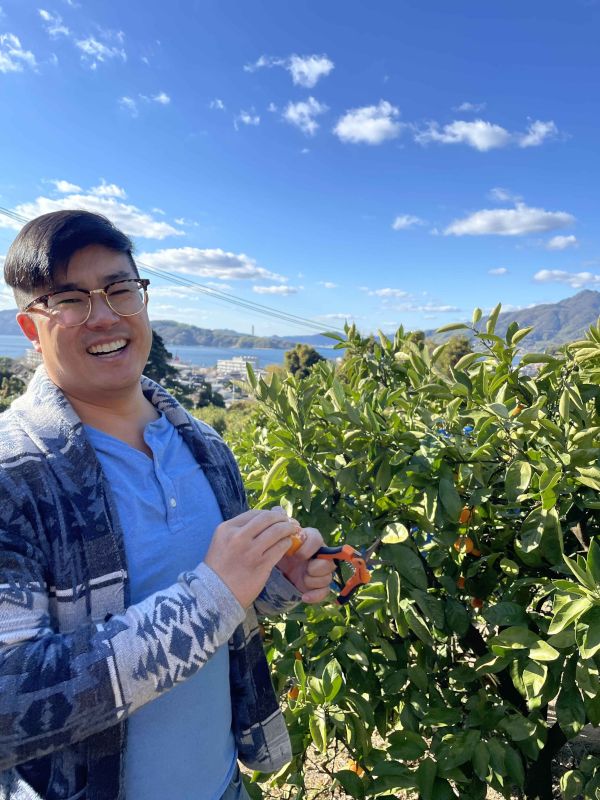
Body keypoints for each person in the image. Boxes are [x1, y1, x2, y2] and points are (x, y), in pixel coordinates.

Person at [0, 210, 336, 800]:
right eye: (71, 299)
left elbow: (224, 599)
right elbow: (9, 701)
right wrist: (211, 595)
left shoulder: (204, 447)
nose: (105, 315)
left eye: (120, 289)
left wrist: (273, 580)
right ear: (31, 327)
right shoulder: (15, 476)